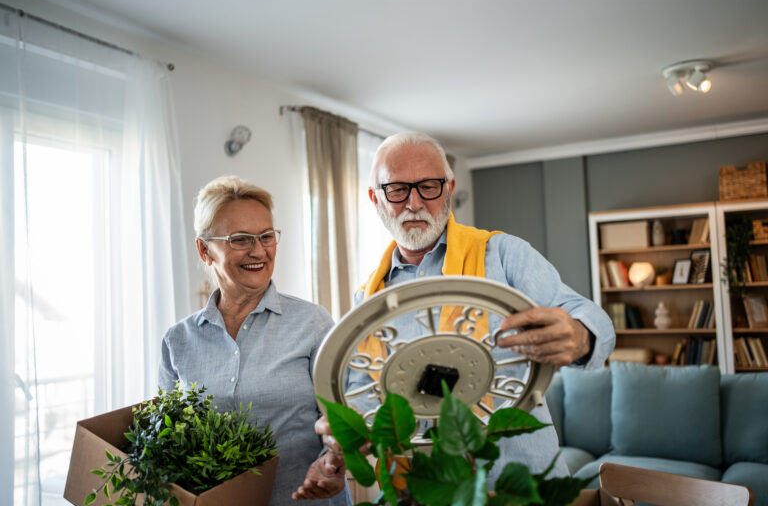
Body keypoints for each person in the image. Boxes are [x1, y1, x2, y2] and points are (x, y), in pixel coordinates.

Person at [315, 132, 616, 483]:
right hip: (422, 490)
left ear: (449, 188)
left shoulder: (503, 255)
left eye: (428, 186)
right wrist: (349, 430)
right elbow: (362, 398)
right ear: (375, 198)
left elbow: (591, 318)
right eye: (397, 189)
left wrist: (580, 335)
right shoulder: (367, 300)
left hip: (521, 481)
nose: (414, 203)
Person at [158, 176, 350, 506]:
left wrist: (335, 458)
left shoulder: (313, 323)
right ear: (205, 250)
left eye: (266, 236)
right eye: (240, 239)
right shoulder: (178, 340)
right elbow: (169, 437)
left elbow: (345, 417)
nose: (258, 250)